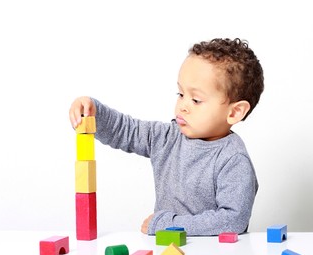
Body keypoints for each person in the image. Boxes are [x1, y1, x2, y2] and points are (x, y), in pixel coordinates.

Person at [69, 38, 264, 236]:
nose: (183, 105)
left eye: (196, 100)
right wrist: (95, 113)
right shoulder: (167, 138)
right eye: (180, 94)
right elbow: (126, 130)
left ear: (234, 112)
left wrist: (168, 225)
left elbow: (233, 220)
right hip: (167, 253)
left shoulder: (233, 159)